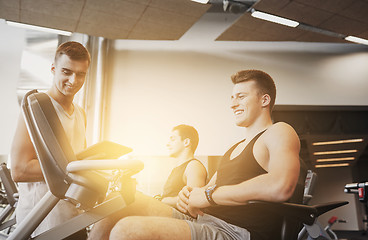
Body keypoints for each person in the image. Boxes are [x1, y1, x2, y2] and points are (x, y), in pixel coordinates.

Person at [88, 69, 301, 240]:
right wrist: (189, 196)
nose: (233, 103)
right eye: (232, 97)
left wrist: (208, 195)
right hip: (204, 220)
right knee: (121, 202)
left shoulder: (279, 131)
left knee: (127, 230)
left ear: (264, 100)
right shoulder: (233, 148)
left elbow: (280, 186)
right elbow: (206, 191)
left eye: (241, 96)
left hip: (235, 232)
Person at [10, 41, 91, 239]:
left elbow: (77, 165)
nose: (73, 80)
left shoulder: (80, 114)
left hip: (73, 219)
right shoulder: (36, 108)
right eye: (66, 71)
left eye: (80, 74)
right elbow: (19, 170)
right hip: (42, 223)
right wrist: (75, 166)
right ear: (54, 69)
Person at [157, 124, 207, 208]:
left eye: (173, 139)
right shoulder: (177, 169)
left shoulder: (193, 166)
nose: (168, 144)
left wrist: (162, 200)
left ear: (186, 142)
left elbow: (194, 199)